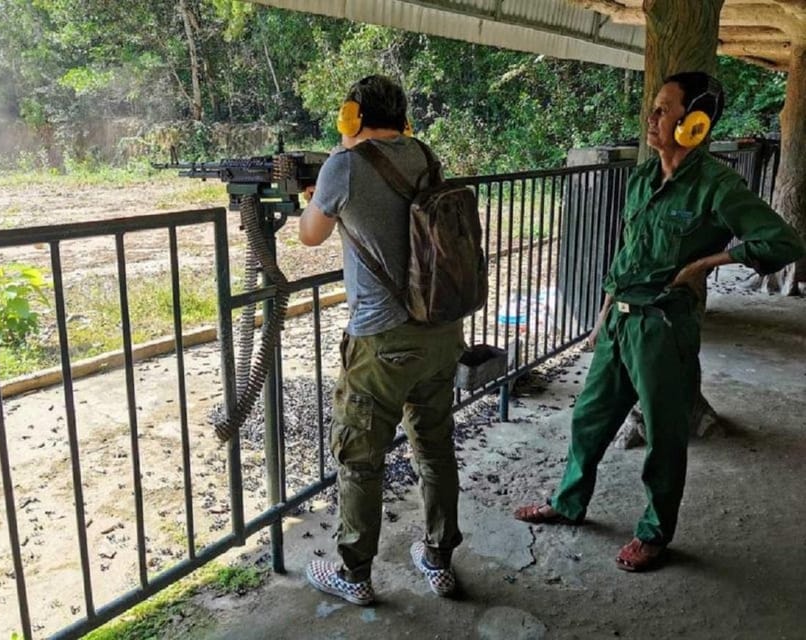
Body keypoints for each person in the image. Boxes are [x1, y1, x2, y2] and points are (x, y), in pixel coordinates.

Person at [514, 71, 805, 572]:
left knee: (665, 436)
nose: (652, 117)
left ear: (694, 123)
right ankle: (568, 502)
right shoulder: (645, 177)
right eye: (653, 107)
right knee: (589, 420)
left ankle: (654, 533)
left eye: (664, 109)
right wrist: (602, 316)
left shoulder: (717, 185)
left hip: (664, 328)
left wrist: (707, 263)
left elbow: (783, 242)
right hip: (621, 322)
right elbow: (628, 251)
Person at [298, 75, 466, 605]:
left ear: (352, 116)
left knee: (361, 459)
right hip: (441, 330)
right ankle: (437, 560)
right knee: (434, 448)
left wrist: (325, 186)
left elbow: (311, 234)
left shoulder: (342, 166)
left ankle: (354, 574)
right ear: (403, 117)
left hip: (382, 342)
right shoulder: (425, 154)